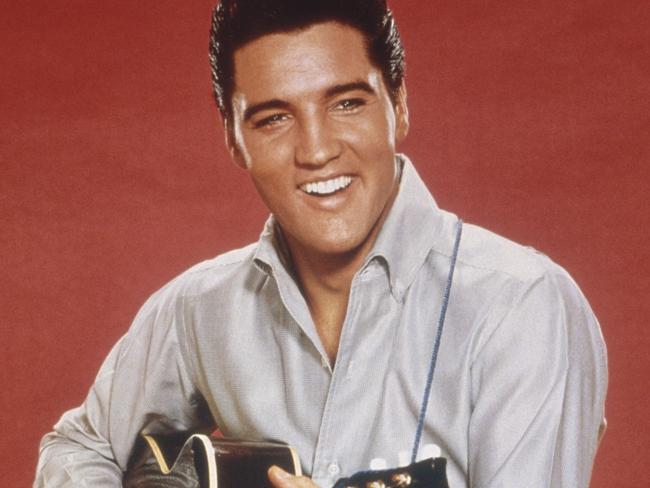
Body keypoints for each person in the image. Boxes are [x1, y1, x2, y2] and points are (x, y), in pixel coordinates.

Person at [34, 0, 608, 487]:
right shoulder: (196, 311)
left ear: (400, 103)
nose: (315, 150)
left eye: (346, 103)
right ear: (233, 140)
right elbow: (75, 448)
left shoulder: (523, 307)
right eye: (273, 118)